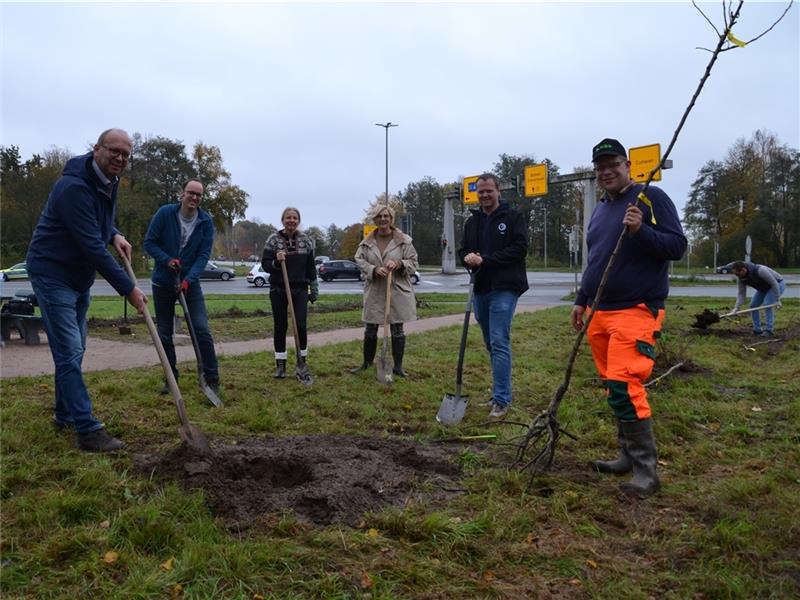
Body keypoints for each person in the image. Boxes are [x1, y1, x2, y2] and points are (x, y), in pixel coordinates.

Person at [571, 138, 687, 498]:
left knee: (625, 384)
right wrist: (582, 298)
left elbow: (677, 247)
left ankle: (646, 471)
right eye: (600, 167)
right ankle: (625, 456)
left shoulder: (650, 198)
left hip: (636, 309)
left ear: (627, 167)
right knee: (612, 386)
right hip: (599, 311)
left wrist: (641, 231)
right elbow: (597, 260)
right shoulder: (601, 209)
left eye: (613, 165)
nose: (606, 172)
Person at [26, 128, 147, 453]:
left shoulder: (109, 180)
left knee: (74, 351)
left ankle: (64, 413)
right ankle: (87, 430)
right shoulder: (73, 188)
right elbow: (92, 246)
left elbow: (99, 225)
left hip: (78, 276)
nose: (120, 158)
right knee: (68, 352)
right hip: (52, 272)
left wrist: (115, 233)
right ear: (96, 149)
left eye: (125, 154)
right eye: (114, 151)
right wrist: (129, 289)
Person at [457, 173, 529, 418]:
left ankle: (501, 399)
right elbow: (464, 250)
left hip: (505, 286)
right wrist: (467, 258)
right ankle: (499, 391)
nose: (485, 195)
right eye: (481, 191)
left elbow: (519, 249)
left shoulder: (512, 217)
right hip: (481, 287)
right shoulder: (472, 222)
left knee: (499, 341)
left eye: (489, 190)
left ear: (499, 191)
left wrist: (486, 260)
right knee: (491, 343)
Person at [144, 178, 220, 395]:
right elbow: (149, 243)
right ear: (182, 194)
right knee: (165, 334)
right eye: (191, 193)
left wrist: (189, 279)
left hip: (190, 284)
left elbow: (204, 254)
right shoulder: (165, 213)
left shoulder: (205, 222)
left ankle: (211, 378)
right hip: (163, 282)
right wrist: (167, 260)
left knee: (202, 330)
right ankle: (171, 379)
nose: (194, 197)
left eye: (199, 195)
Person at [352, 205, 419, 376]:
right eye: (379, 216)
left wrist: (399, 264)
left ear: (391, 219)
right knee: (371, 327)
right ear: (374, 219)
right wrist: (373, 269)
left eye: (386, 216)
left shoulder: (403, 240)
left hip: (397, 289)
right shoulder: (366, 242)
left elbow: (413, 262)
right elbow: (359, 260)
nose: (383, 219)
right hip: (375, 289)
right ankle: (367, 363)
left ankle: (398, 367)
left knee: (397, 328)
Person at [262, 207, 318, 377]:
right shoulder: (273, 240)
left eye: (294, 218)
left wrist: (314, 287)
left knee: (300, 325)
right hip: (278, 289)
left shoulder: (306, 240)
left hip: (300, 289)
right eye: (288, 218)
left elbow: (311, 267)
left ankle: (302, 363)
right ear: (283, 220)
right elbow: (265, 265)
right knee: (280, 326)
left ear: (298, 220)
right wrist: (277, 262)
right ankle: (280, 365)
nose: (291, 220)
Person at [728, 260, 785, 336]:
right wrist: (737, 307)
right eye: (735, 274)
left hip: (777, 284)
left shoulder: (760, 270)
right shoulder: (741, 279)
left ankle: (769, 330)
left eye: (738, 274)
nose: (737, 276)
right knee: (753, 305)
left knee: (767, 304)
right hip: (763, 288)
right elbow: (741, 294)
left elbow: (774, 283)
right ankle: (757, 330)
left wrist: (778, 299)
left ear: (743, 269)